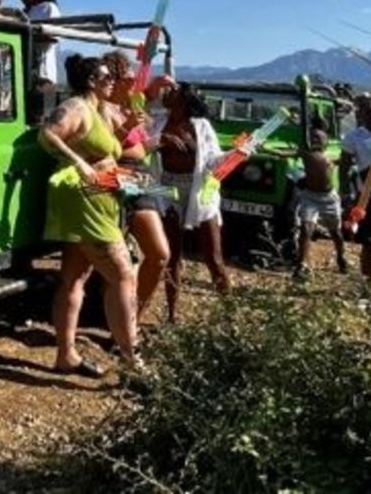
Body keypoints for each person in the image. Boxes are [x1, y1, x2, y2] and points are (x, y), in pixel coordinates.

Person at [39, 54, 139, 377]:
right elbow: (47, 134)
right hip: (84, 201)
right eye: (107, 77)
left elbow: (105, 151)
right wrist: (77, 162)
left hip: (99, 198)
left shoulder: (98, 110)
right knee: (123, 274)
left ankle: (65, 355)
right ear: (92, 80)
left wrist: (127, 133)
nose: (113, 81)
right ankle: (132, 362)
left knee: (75, 277)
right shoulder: (77, 107)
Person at [99, 50, 170, 320]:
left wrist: (160, 141)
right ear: (114, 80)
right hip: (117, 178)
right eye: (128, 77)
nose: (133, 81)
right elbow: (101, 149)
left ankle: (133, 318)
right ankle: (119, 323)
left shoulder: (130, 106)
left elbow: (140, 147)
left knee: (159, 254)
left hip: (142, 179)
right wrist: (127, 128)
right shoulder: (102, 110)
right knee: (116, 262)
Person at [155, 82, 232, 322]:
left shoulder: (201, 127)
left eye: (174, 91)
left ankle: (229, 317)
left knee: (213, 257)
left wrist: (237, 153)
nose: (168, 92)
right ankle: (172, 316)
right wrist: (161, 140)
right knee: (172, 256)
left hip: (200, 191)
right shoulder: (158, 121)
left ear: (184, 100)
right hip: (166, 189)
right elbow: (142, 144)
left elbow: (214, 161)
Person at [286, 130, 347, 278]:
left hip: (329, 199)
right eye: (313, 138)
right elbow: (285, 153)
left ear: (326, 142)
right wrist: (265, 149)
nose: (315, 140)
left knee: (335, 232)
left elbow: (344, 162)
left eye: (319, 138)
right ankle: (301, 265)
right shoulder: (306, 154)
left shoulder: (329, 157)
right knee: (306, 229)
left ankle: (341, 257)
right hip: (310, 196)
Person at [339, 96, 371, 287]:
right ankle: (366, 285)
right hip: (368, 198)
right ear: (361, 116)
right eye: (369, 113)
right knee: (369, 242)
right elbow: (344, 167)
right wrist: (345, 194)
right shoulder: (353, 137)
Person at [16, 0, 60, 87]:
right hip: (26, 70)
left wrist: (28, 36)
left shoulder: (49, 8)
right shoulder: (28, 12)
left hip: (43, 72)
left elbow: (53, 37)